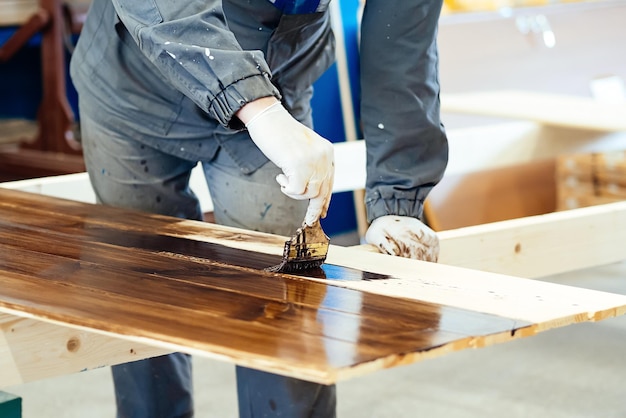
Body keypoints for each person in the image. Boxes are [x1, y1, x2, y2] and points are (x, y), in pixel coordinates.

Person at [69, 0, 448, 416]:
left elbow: (403, 37)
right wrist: (259, 111)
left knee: (287, 307)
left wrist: (398, 198)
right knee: (141, 301)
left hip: (276, 73)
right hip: (135, 83)